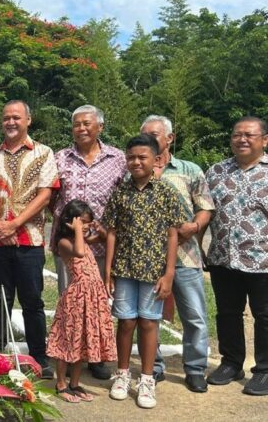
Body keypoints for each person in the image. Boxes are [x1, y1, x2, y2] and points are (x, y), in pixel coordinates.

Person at [0, 100, 59, 378]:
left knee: (32, 300)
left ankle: (38, 356)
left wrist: (14, 225)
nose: (11, 122)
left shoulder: (44, 154)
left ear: (28, 121)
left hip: (30, 240)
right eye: (6, 118)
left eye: (16, 118)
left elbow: (45, 194)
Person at [102, 134, 186, 409]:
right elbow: (111, 233)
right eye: (131, 157)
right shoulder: (120, 192)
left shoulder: (166, 193)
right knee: (126, 322)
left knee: (149, 323)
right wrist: (108, 271)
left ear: (156, 160)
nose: (136, 162)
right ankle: (122, 373)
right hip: (124, 269)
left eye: (142, 157)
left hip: (154, 271)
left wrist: (169, 273)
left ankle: (147, 378)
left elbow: (173, 234)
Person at [141, 115, 214, 392]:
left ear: (169, 138)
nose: (149, 139)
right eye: (144, 134)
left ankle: (195, 368)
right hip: (146, 259)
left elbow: (205, 206)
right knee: (149, 316)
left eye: (155, 134)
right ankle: (154, 366)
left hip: (185, 256)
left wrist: (195, 225)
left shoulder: (189, 169)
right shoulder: (135, 168)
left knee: (194, 315)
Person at [52, 105, 125, 380]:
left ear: (100, 127)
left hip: (103, 245)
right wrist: (67, 231)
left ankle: (94, 357)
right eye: (76, 125)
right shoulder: (60, 158)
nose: (81, 129)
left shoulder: (117, 159)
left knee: (98, 304)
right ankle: (68, 357)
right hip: (71, 248)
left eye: (87, 124)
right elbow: (51, 199)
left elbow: (122, 200)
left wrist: (104, 230)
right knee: (71, 304)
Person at [205, 116, 268, 396]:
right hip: (222, 258)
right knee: (228, 313)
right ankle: (231, 363)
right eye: (236, 134)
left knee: (264, 316)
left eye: (249, 135)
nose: (242, 139)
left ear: (264, 140)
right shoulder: (217, 171)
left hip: (263, 261)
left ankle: (265, 370)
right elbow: (204, 211)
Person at [47, 200, 117, 403]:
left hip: (92, 298)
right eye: (82, 222)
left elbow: (103, 238)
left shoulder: (83, 239)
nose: (85, 226)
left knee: (83, 343)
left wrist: (96, 227)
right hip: (76, 299)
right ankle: (61, 383)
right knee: (68, 343)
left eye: (87, 222)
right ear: (71, 222)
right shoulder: (64, 243)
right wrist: (79, 230)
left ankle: (75, 383)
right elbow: (78, 251)